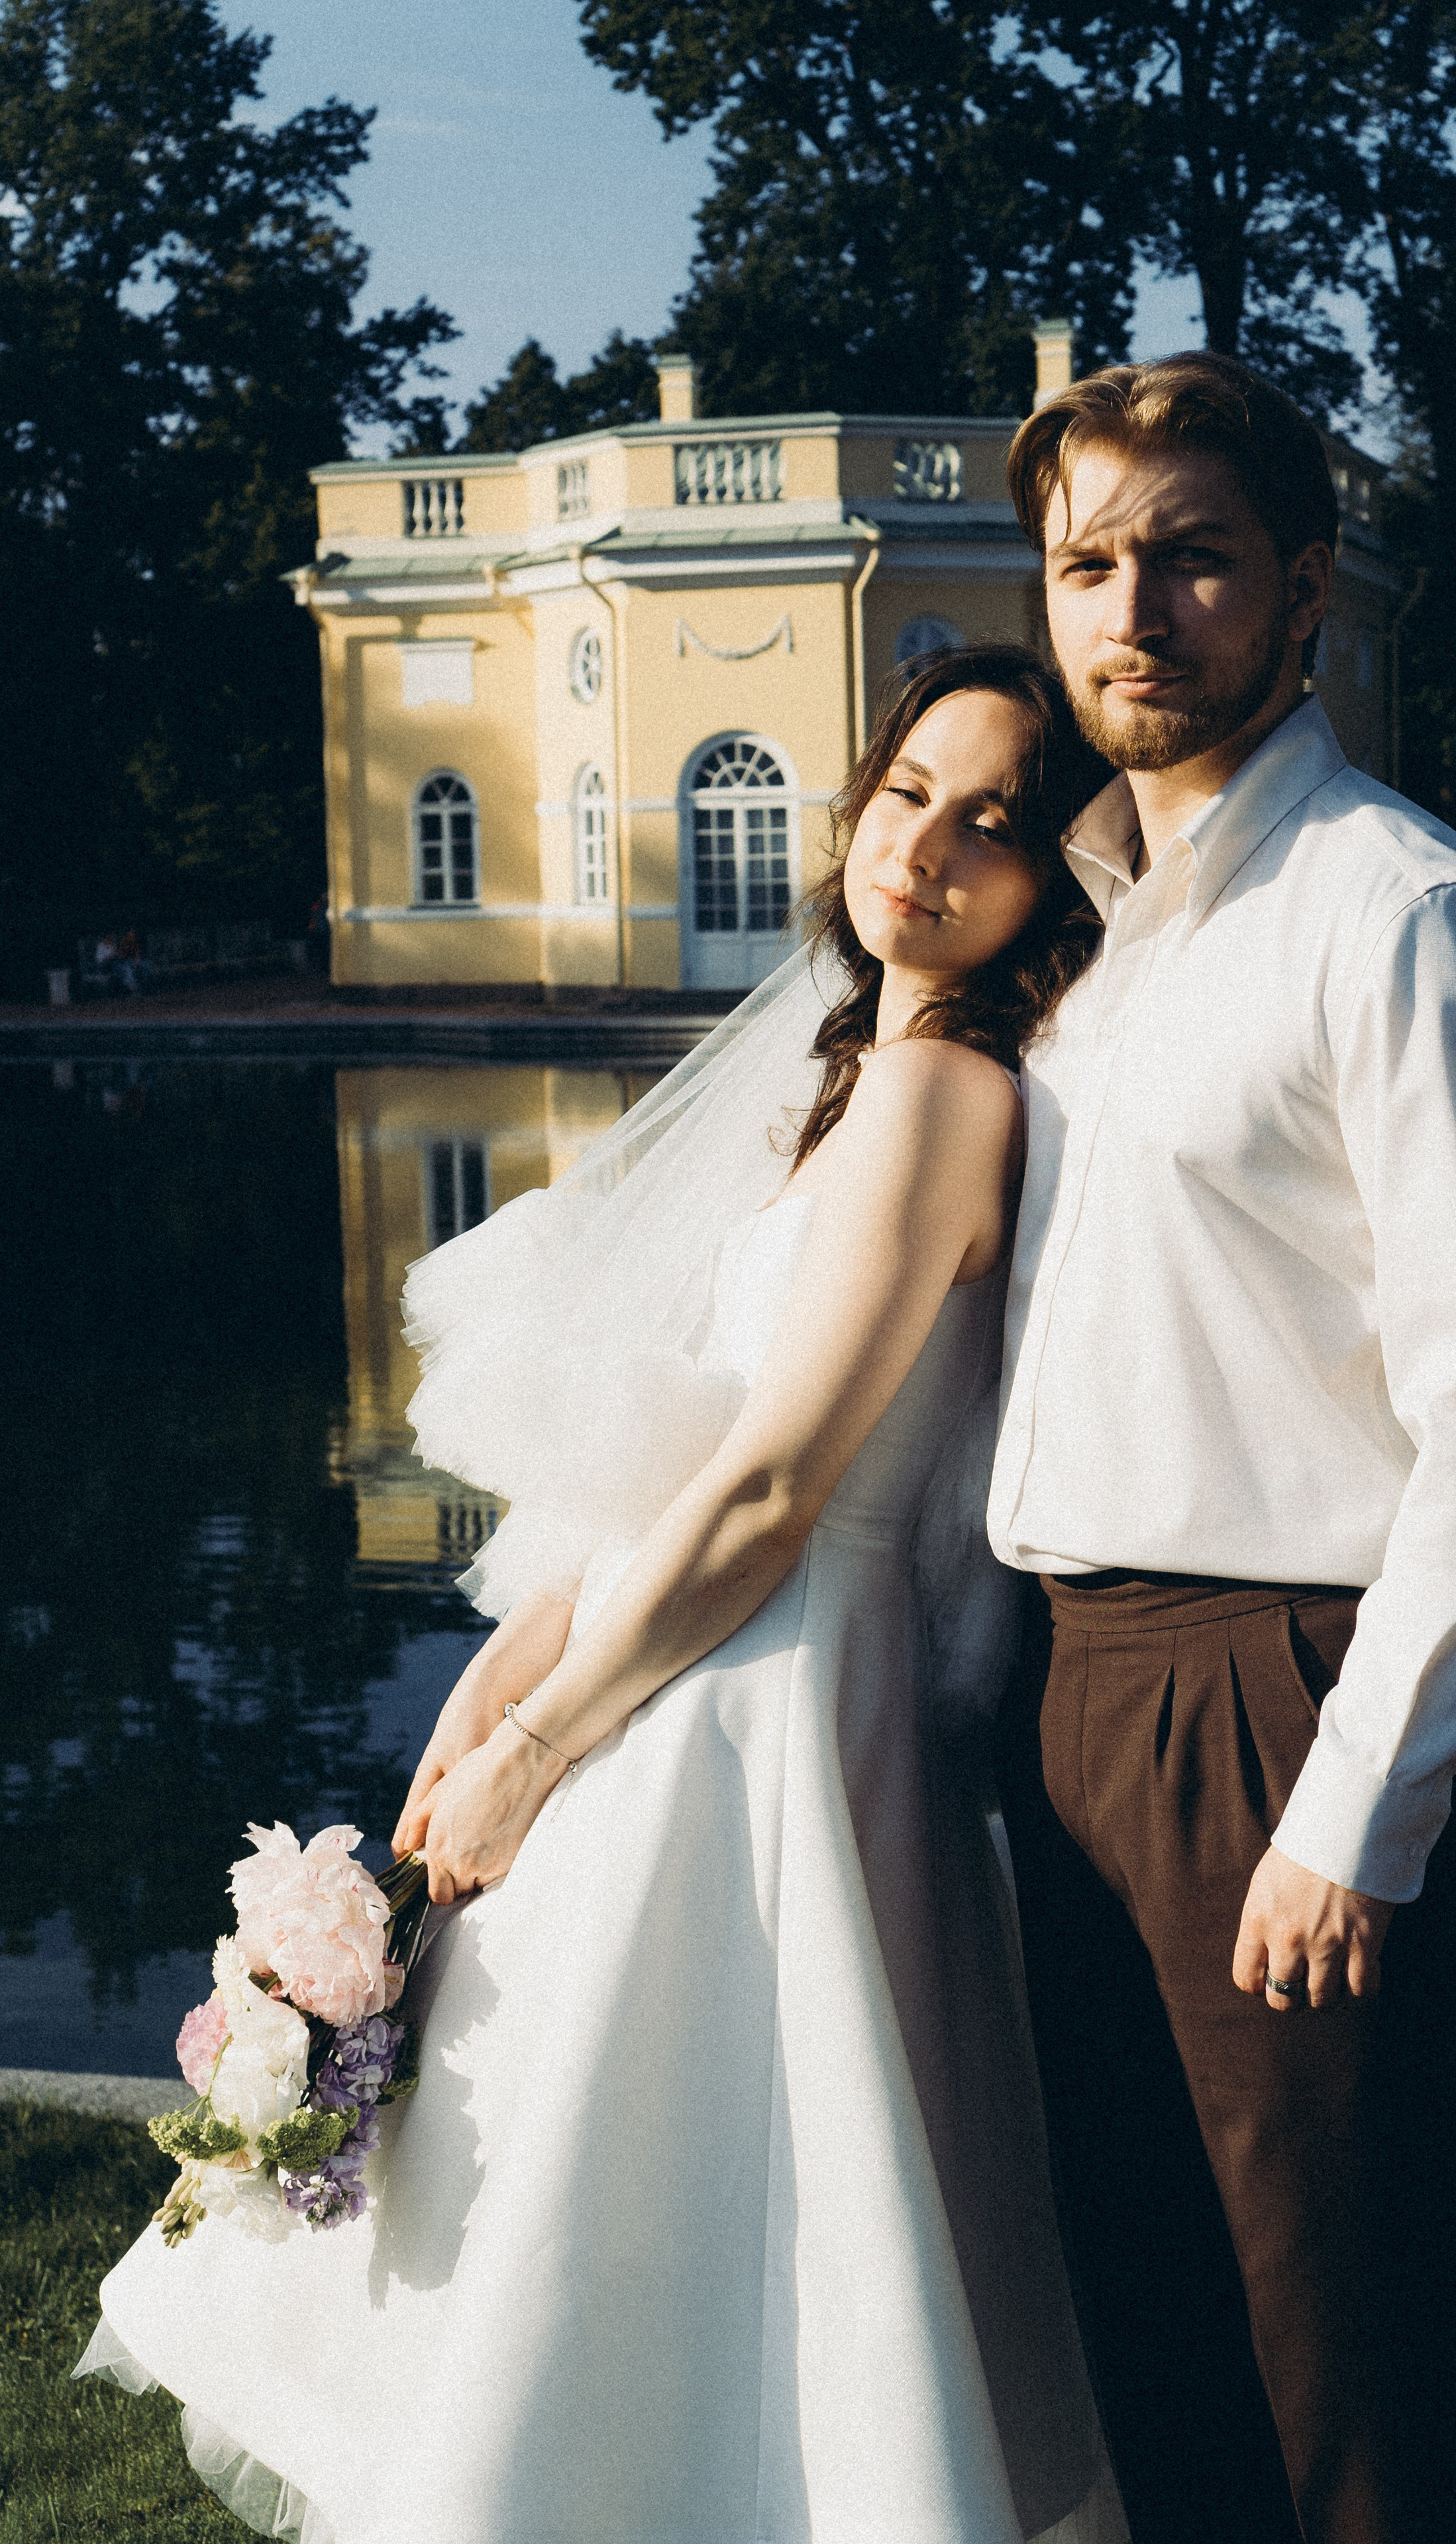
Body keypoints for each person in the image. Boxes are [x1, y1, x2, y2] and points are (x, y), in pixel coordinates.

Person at [78, 644, 1127, 2544]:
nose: (932, 847)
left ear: (1054, 877)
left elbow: (781, 1486)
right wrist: (512, 1665)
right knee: (609, 2183)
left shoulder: (944, 1093)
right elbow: (686, 1458)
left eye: (996, 821)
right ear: (854, 805)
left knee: (697, 2195)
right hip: (712, 1652)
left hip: (773, 1692)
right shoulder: (866, 1078)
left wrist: (542, 1743)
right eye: (910, 793)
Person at [989, 352, 1456, 2544]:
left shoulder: (1403, 919)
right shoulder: (1096, 929)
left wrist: (1357, 1802)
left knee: (1359, 2364)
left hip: (1281, 1698)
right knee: (1162, 2337)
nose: (1132, 611)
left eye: (1192, 557)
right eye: (1086, 565)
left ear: (1305, 586)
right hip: (1075, 1693)